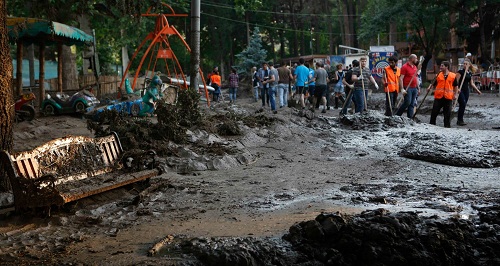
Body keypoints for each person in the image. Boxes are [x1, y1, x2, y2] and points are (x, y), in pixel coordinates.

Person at [428, 61, 459, 128]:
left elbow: (456, 86)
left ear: (446, 67)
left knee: (447, 114)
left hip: (448, 97)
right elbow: (433, 83)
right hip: (439, 97)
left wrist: (456, 94)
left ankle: (447, 126)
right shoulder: (438, 75)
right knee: (434, 112)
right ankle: (431, 125)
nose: (440, 67)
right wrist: (429, 87)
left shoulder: (453, 76)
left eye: (442, 66)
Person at [456, 58, 481, 126]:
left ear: (469, 65)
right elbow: (456, 81)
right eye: (464, 64)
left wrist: (477, 90)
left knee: (463, 105)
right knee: (463, 103)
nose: (464, 65)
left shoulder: (469, 73)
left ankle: (460, 120)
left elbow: (471, 83)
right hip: (460, 90)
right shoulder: (460, 72)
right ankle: (460, 120)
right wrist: (457, 89)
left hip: (466, 91)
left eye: (466, 64)